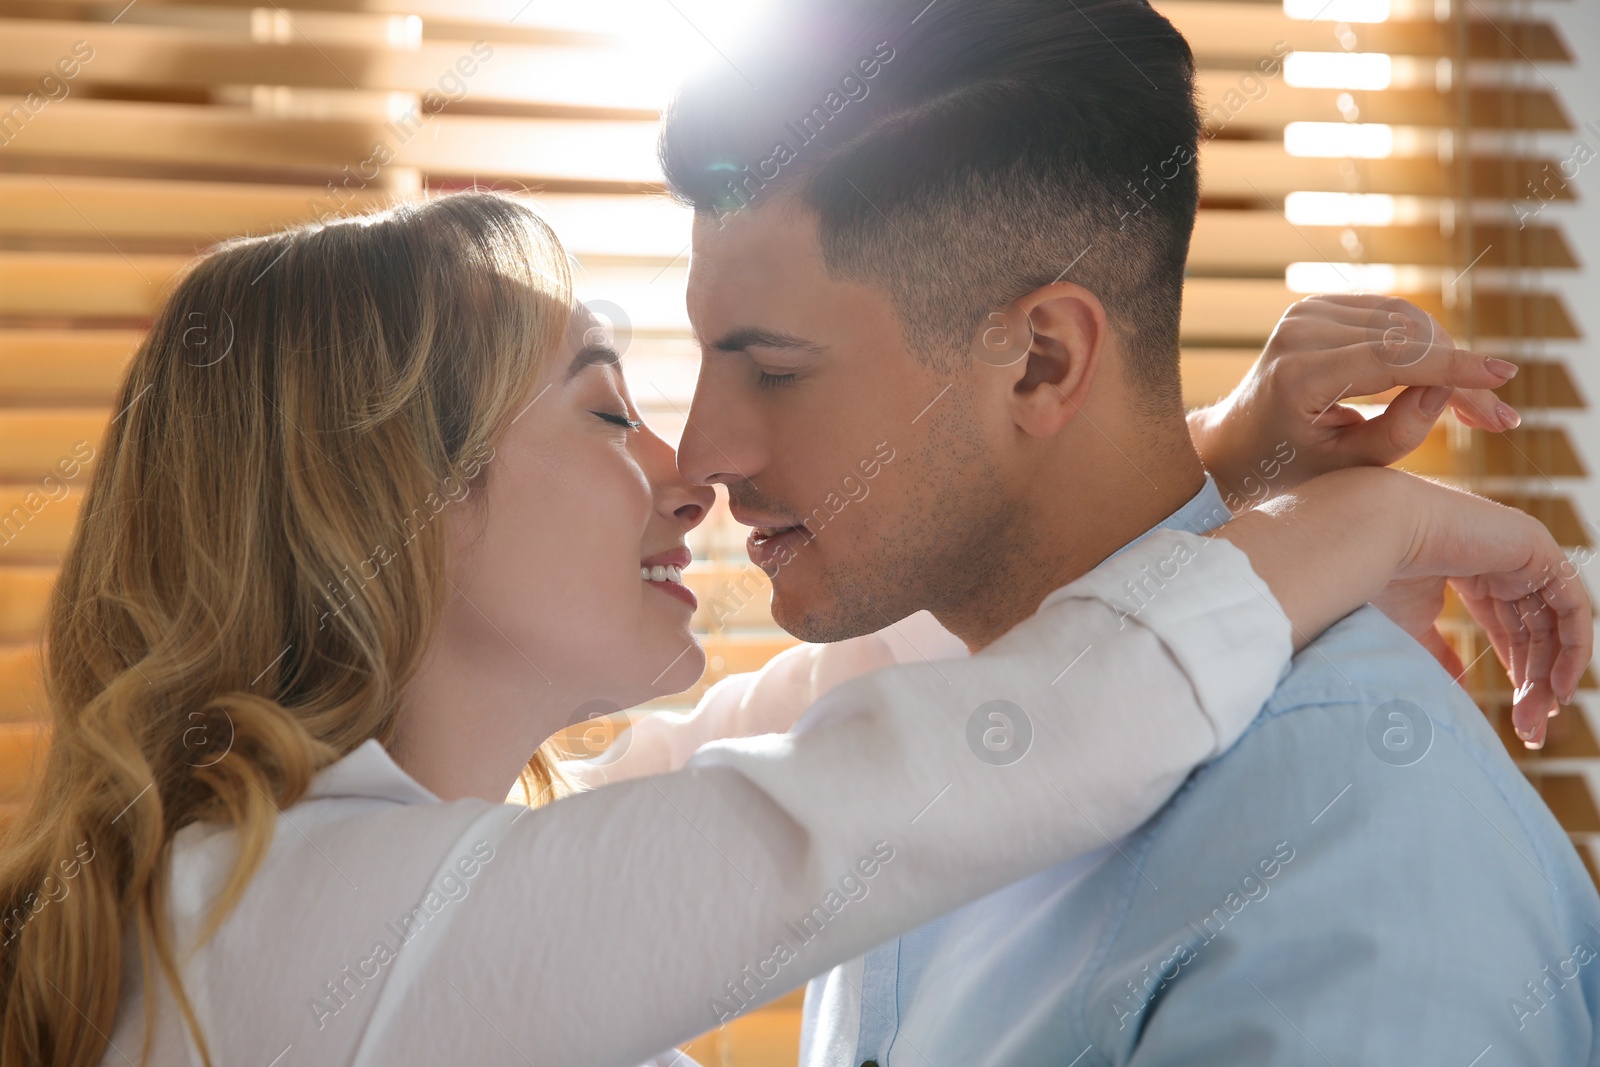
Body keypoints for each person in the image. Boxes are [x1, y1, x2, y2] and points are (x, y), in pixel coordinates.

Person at [0, 194, 1581, 1067]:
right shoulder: (281, 937)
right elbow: (896, 792)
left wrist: (1207, 470)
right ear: (384, 503)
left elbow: (840, 710)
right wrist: (1362, 525)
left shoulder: (338, 880)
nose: (691, 467)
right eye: (608, 405)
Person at [629, 0, 1600, 1061]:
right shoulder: (901, 745)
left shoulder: (1348, 825)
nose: (700, 451)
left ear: (1042, 361)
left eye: (773, 370)